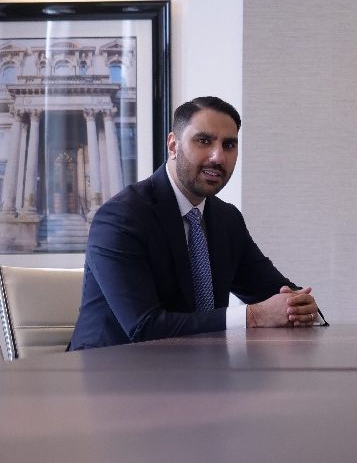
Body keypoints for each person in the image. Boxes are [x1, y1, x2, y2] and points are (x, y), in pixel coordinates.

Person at [69, 96, 321, 350]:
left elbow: (277, 292)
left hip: (199, 366)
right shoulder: (121, 217)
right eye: (204, 141)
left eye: (229, 145)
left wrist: (300, 306)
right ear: (173, 145)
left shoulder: (227, 219)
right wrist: (253, 316)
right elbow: (145, 328)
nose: (218, 157)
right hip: (112, 366)